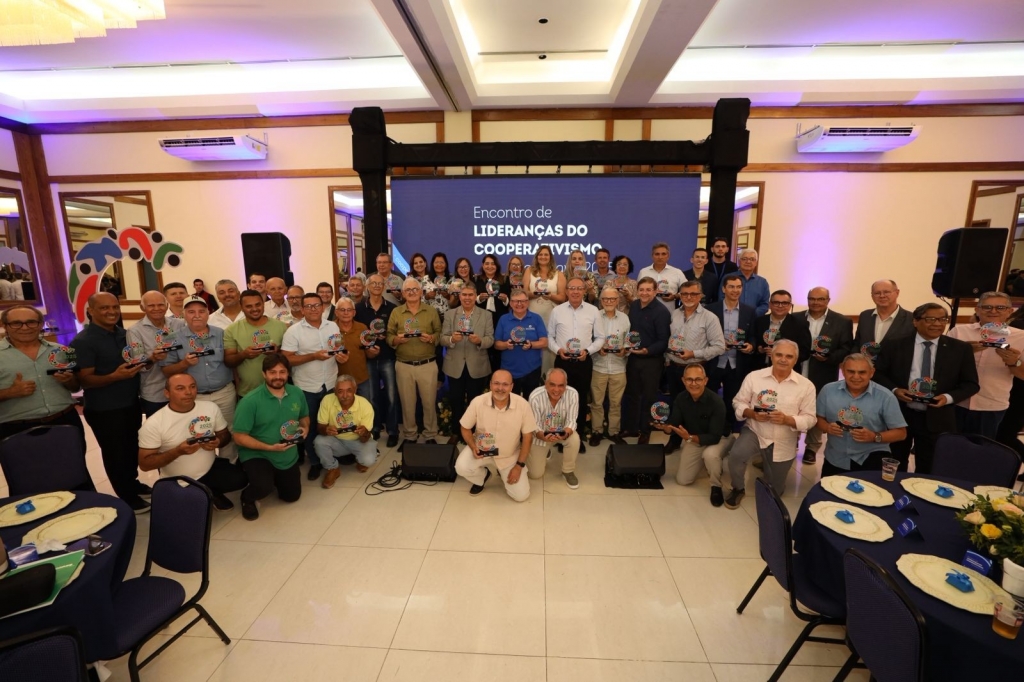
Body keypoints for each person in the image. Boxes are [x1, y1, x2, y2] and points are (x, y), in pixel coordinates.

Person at [873, 303, 980, 473]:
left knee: (929, 466)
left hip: (937, 417)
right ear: (915, 321)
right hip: (899, 413)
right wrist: (895, 390)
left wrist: (947, 398)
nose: (937, 324)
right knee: (894, 462)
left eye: (942, 319)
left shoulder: (960, 349)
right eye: (930, 319)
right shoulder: (894, 345)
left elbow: (971, 384)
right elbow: (878, 374)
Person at [71, 293, 151, 513]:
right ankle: (126, 496)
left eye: (115, 307)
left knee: (131, 447)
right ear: (91, 311)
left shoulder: (125, 334)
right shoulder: (83, 341)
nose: (112, 312)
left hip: (130, 403)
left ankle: (132, 483)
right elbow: (84, 380)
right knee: (115, 453)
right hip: (104, 408)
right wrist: (115, 377)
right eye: (104, 308)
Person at [725, 339, 817, 508]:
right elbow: (738, 402)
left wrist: (787, 420)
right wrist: (751, 413)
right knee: (737, 455)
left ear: (795, 360)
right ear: (772, 356)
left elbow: (810, 418)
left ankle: (767, 465)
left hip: (784, 438)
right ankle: (738, 488)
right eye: (779, 355)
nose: (783, 359)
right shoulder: (754, 377)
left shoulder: (806, 386)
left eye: (789, 356)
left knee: (775, 490)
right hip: (755, 430)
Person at [138, 374, 247, 510]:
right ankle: (202, 494)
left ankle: (211, 492)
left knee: (240, 479)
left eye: (192, 386)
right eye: (180, 388)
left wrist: (218, 441)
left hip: (209, 468)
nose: (188, 392)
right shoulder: (154, 424)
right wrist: (177, 451)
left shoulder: (210, 407)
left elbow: (225, 435)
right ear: (167, 393)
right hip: (179, 480)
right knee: (188, 512)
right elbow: (145, 464)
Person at [0, 306, 88, 469]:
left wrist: (69, 380)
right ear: (5, 325)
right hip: (16, 428)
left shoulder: (61, 351)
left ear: (41, 324)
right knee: (28, 478)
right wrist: (10, 392)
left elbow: (75, 387)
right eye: (17, 323)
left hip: (65, 421)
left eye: (31, 322)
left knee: (75, 472)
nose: (25, 328)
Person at [161, 294, 238, 463]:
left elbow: (232, 363)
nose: (197, 315)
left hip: (224, 393)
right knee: (195, 433)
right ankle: (203, 468)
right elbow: (166, 370)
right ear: (183, 314)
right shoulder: (172, 338)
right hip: (194, 397)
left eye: (201, 311)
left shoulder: (221, 334)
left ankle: (230, 466)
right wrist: (184, 364)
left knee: (228, 432)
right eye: (191, 312)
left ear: (208, 313)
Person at [232, 353, 307, 520]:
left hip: (286, 452)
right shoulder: (249, 401)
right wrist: (269, 447)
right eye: (272, 372)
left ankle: (272, 477)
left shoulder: (297, 393)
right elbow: (239, 437)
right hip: (258, 453)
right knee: (262, 487)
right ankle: (247, 497)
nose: (278, 377)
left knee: (291, 496)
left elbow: (304, 416)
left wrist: (305, 428)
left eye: (282, 372)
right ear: (264, 374)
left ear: (288, 373)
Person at [281, 293, 344, 481]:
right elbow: (286, 359)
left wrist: (342, 356)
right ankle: (315, 463)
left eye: (316, 305)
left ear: (323, 307)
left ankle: (332, 456)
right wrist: (313, 356)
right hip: (306, 387)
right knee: (308, 426)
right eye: (308, 306)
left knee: (331, 423)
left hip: (330, 383)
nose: (313, 309)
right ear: (302, 309)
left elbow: (338, 348)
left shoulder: (332, 326)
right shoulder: (293, 331)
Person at [946, 292, 1024, 438]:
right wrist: (963, 354)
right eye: (987, 307)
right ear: (977, 310)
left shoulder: (1021, 337)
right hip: (956, 402)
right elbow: (941, 366)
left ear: (1009, 311)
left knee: (981, 449)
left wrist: (1014, 362)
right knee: (949, 446)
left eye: (1000, 307)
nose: (993, 311)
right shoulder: (958, 332)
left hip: (991, 405)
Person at [815, 354, 907, 477]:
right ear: (843, 370)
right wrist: (827, 427)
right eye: (851, 371)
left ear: (871, 373)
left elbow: (901, 433)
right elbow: (818, 419)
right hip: (835, 458)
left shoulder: (886, 397)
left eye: (862, 372)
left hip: (871, 458)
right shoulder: (828, 390)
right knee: (829, 489)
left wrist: (874, 436)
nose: (856, 377)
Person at [454, 370, 537, 501]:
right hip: (481, 451)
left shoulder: (523, 405)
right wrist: (473, 446)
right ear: (490, 384)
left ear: (511, 386)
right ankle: (483, 476)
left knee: (521, 496)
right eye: (496, 383)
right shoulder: (478, 402)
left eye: (505, 384)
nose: (500, 388)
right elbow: (465, 427)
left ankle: (503, 472)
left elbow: (528, 437)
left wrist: (519, 466)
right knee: (461, 467)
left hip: (509, 455)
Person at [663, 280, 725, 454]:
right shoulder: (674, 314)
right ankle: (674, 440)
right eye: (684, 294)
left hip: (697, 369)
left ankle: (701, 440)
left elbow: (719, 346)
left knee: (698, 407)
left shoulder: (710, 317)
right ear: (679, 296)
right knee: (677, 405)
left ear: (700, 296)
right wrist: (668, 358)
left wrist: (693, 353)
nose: (688, 297)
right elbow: (670, 339)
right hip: (675, 368)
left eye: (693, 294)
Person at [656, 364, 728, 505]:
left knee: (710, 455)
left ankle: (716, 486)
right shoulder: (681, 398)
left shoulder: (716, 401)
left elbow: (715, 436)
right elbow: (674, 424)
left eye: (698, 379)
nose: (693, 383)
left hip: (721, 438)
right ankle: (707, 464)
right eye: (689, 379)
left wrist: (688, 437)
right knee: (683, 480)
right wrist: (665, 427)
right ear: (683, 381)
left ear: (705, 380)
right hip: (695, 439)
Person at [799, 287, 854, 464]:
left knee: (818, 409)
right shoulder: (796, 318)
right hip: (797, 370)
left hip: (823, 371)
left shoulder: (842, 321)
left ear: (828, 300)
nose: (815, 302)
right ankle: (790, 442)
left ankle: (812, 447)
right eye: (812, 299)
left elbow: (846, 348)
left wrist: (829, 357)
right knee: (793, 406)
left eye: (820, 299)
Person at [548, 276, 603, 451]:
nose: (575, 292)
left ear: (584, 291)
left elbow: (600, 337)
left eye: (579, 288)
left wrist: (588, 351)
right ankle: (560, 436)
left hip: (583, 361)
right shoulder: (557, 311)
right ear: (566, 291)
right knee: (559, 399)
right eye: (572, 288)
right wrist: (558, 350)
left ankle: (576, 438)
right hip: (562, 361)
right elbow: (549, 336)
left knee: (580, 399)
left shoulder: (593, 311)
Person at [387, 277, 442, 450]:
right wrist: (396, 340)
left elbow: (439, 332)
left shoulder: (431, 311)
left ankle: (430, 434)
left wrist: (432, 338)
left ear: (421, 292)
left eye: (415, 289)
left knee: (429, 402)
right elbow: (389, 335)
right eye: (408, 290)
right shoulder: (396, 312)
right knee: (407, 403)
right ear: (403, 293)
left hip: (427, 364)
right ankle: (410, 435)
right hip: (404, 365)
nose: (411, 292)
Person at [618, 277, 671, 444]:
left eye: (649, 290)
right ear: (637, 291)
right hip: (633, 358)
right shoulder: (634, 306)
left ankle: (646, 431)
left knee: (648, 397)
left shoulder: (662, 312)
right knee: (632, 394)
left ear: (655, 291)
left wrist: (647, 350)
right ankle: (631, 428)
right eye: (641, 289)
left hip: (652, 360)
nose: (645, 293)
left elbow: (664, 340)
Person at [441, 284, 494, 445]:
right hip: (455, 365)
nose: (467, 298)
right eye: (464, 294)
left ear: (475, 296)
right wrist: (451, 339)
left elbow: (490, 339)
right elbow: (442, 338)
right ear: (460, 296)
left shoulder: (486, 315)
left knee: (475, 402)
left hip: (477, 365)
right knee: (456, 401)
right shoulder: (450, 314)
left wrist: (479, 341)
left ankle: (474, 433)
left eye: (470, 295)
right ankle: (456, 432)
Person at [706, 273, 757, 434]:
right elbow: (704, 335)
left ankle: (727, 430)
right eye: (731, 287)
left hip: (736, 363)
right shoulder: (711, 309)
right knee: (710, 397)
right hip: (714, 361)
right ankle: (709, 428)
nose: (735, 290)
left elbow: (752, 335)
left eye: (738, 287)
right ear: (724, 289)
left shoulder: (749, 311)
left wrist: (751, 346)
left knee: (732, 399)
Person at [356, 273, 399, 447]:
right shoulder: (358, 308)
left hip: (388, 357)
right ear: (367, 286)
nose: (376, 286)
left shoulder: (392, 308)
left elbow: (395, 332)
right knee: (371, 397)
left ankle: (393, 431)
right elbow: (356, 333)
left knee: (391, 396)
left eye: (380, 283)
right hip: (367, 358)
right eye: (373, 283)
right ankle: (374, 428)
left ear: (384, 286)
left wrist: (387, 337)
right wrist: (366, 347)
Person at [314, 374, 378, 488]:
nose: (345, 396)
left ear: (355, 390)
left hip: (358, 440)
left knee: (368, 460)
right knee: (319, 441)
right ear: (335, 391)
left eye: (349, 390)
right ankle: (332, 468)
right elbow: (320, 427)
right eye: (340, 391)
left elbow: (365, 438)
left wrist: (364, 433)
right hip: (336, 440)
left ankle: (360, 460)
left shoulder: (365, 405)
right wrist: (326, 429)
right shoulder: (327, 400)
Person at [126, 291, 183, 416]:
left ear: (167, 306)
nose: (157, 308)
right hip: (155, 393)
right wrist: (153, 358)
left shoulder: (179, 324)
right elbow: (137, 364)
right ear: (143, 308)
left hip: (182, 389)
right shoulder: (135, 331)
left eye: (160, 304)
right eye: (151, 305)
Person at [223, 289, 289, 397]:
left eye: (258, 304)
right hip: (247, 392)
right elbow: (228, 361)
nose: (254, 309)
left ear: (263, 304)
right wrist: (243, 355)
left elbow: (289, 357)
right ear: (241, 307)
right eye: (249, 306)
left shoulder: (281, 326)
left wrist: (276, 352)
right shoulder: (232, 330)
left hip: (279, 389)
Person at [590, 286, 630, 447]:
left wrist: (625, 350)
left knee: (616, 403)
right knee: (596, 403)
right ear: (601, 301)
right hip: (598, 366)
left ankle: (614, 432)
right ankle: (597, 431)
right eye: (605, 299)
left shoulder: (625, 318)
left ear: (618, 300)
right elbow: (589, 338)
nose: (609, 302)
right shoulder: (594, 317)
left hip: (618, 367)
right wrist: (596, 348)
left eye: (612, 299)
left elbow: (628, 340)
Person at [527, 368, 581, 488]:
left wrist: (565, 434)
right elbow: (535, 425)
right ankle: (547, 449)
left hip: (562, 432)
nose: (556, 390)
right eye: (552, 385)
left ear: (566, 385)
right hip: (541, 435)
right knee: (535, 474)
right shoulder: (535, 396)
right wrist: (543, 436)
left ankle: (568, 471)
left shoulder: (573, 394)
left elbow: (572, 421)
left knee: (574, 439)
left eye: (561, 385)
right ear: (545, 384)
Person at [493, 289, 548, 399]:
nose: (519, 304)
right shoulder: (503, 319)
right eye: (516, 301)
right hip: (508, 371)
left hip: (532, 369)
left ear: (528, 302)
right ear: (510, 303)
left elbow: (544, 342)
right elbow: (496, 344)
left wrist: (531, 345)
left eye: (523, 301)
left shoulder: (536, 318)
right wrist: (505, 345)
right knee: (510, 403)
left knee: (530, 403)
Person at [524, 245, 565, 376]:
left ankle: (549, 376)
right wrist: (535, 293)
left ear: (550, 257)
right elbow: (524, 293)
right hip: (532, 313)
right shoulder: (529, 271)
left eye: (546, 254)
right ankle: (532, 375)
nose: (543, 257)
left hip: (551, 314)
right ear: (537, 257)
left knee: (549, 345)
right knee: (532, 342)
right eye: (540, 254)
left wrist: (550, 296)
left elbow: (562, 297)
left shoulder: (558, 274)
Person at [853, 279, 915, 356]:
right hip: (867, 363)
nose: (882, 296)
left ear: (897, 293)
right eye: (877, 293)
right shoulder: (865, 316)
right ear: (872, 296)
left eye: (886, 292)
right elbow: (857, 343)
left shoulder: (911, 319)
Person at [753, 290, 811, 367]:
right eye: (776, 302)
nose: (780, 306)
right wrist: (759, 349)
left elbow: (805, 353)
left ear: (790, 305)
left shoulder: (800, 325)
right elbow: (753, 342)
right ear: (770, 305)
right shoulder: (759, 321)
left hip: (787, 369)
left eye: (784, 303)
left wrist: (781, 354)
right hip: (759, 368)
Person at [333, 297, 374, 399]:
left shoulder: (363, 328)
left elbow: (369, 353)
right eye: (342, 310)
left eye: (349, 310)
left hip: (361, 379)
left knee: (364, 406)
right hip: (338, 381)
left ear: (354, 313)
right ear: (336, 312)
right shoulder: (330, 328)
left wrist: (374, 352)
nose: (346, 313)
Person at [638, 242, 687, 313]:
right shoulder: (643, 272)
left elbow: (687, 291)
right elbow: (637, 293)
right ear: (652, 256)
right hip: (645, 313)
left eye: (663, 254)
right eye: (657, 254)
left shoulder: (677, 272)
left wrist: (674, 296)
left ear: (668, 256)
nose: (660, 257)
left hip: (669, 313)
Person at [736, 249, 770, 316]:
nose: (748, 262)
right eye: (744, 259)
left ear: (756, 263)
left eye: (752, 259)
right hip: (731, 317)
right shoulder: (728, 278)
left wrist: (751, 314)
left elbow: (765, 305)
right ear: (739, 261)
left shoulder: (763, 282)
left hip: (755, 319)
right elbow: (722, 299)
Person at [428, 252, 451, 319]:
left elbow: (456, 300)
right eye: (436, 262)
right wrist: (427, 296)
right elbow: (420, 299)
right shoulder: (425, 279)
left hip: (448, 316)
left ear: (446, 264)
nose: (439, 265)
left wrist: (448, 296)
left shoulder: (452, 279)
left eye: (442, 262)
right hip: (431, 317)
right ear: (432, 264)